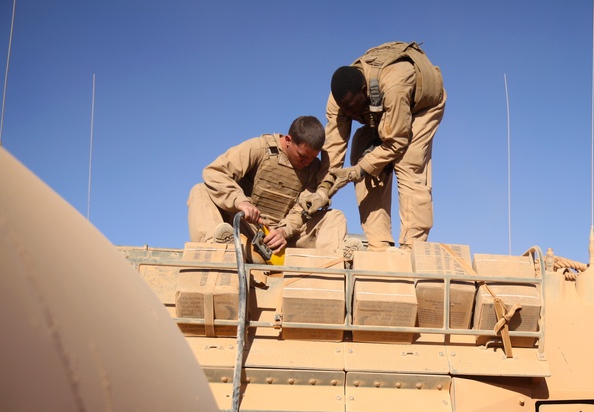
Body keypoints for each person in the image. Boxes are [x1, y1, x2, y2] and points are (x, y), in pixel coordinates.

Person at [300, 42, 446, 250]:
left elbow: (396, 142)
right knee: (363, 157)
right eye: (345, 110)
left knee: (408, 163)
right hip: (378, 114)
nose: (349, 114)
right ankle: (379, 244)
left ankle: (412, 246)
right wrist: (322, 190)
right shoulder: (340, 101)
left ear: (364, 90)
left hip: (420, 106)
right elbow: (333, 149)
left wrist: (358, 170)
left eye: (352, 107)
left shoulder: (394, 84)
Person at [187, 115, 347, 255]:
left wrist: (283, 232)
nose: (307, 163)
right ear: (288, 140)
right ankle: (216, 252)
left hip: (283, 241)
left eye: (313, 158)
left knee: (334, 216)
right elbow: (214, 172)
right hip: (245, 230)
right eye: (302, 156)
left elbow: (302, 210)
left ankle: (330, 267)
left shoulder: (313, 168)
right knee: (200, 191)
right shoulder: (259, 148)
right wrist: (240, 201)